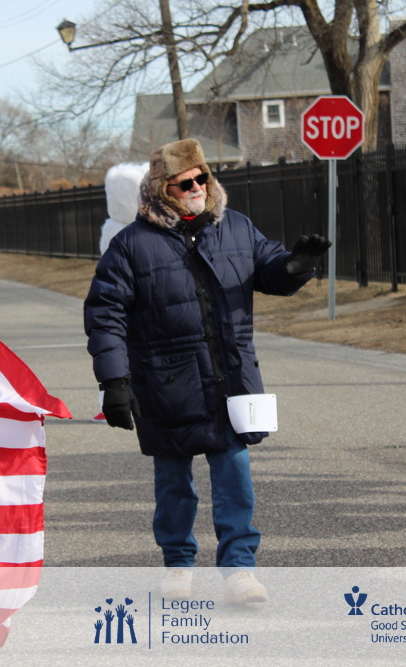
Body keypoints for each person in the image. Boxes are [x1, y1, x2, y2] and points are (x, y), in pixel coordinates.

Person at [83, 138, 330, 603]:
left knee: (234, 473)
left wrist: (295, 266)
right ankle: (178, 564)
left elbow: (270, 269)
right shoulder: (131, 245)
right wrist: (114, 380)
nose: (197, 187)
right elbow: (105, 314)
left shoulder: (235, 226)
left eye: (203, 177)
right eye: (185, 182)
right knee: (173, 481)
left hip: (230, 377)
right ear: (162, 189)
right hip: (165, 382)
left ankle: (240, 570)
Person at [93, 162, 149, 423]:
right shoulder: (136, 231)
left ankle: (112, 400)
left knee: (114, 347)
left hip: (120, 297)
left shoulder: (113, 229)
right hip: (137, 298)